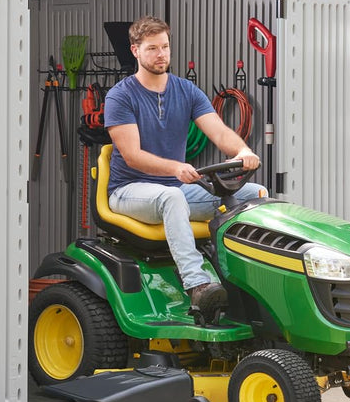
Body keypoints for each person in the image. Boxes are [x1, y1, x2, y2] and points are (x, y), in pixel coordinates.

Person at [104, 16, 267, 315]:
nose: (161, 54)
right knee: (172, 196)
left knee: (256, 194)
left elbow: (219, 133)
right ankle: (198, 286)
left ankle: (251, 280)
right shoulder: (121, 96)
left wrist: (243, 150)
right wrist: (175, 169)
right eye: (152, 48)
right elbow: (132, 156)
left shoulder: (187, 91)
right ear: (135, 51)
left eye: (165, 47)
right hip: (129, 191)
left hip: (175, 189)